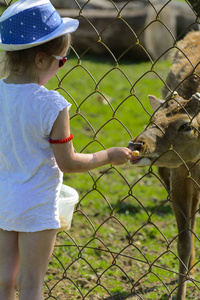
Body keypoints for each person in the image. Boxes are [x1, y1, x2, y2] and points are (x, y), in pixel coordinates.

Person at [0, 0, 132, 299]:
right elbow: (69, 162)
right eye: (62, 61)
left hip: (2, 199)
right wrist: (108, 156)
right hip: (36, 204)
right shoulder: (53, 105)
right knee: (30, 283)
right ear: (41, 60)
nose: (62, 67)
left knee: (4, 279)